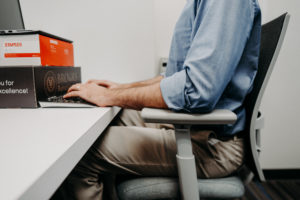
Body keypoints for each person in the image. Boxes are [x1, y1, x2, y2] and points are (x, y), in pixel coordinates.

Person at [57, 0, 261, 199]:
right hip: (190, 126)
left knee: (79, 155)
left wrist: (109, 96)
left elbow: (196, 90)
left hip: (212, 145)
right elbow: (174, 79)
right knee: (105, 124)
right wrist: (119, 89)